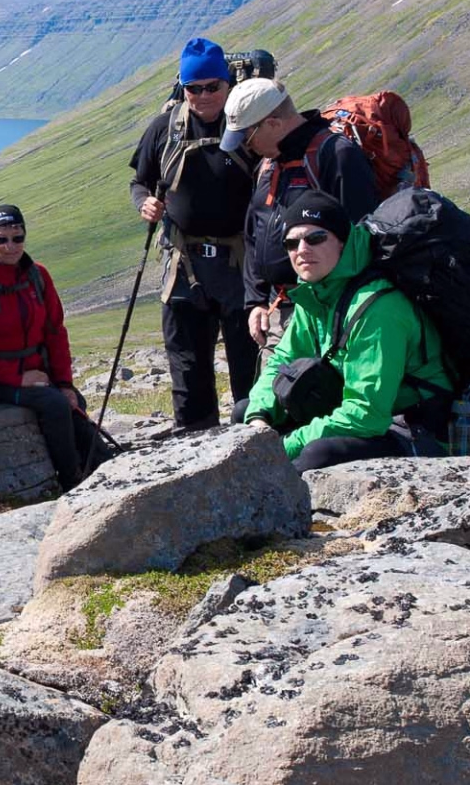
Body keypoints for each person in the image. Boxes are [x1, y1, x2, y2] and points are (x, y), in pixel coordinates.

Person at [241, 192, 452, 470]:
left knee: (316, 456)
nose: (301, 249)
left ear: (342, 241)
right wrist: (258, 417)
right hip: (359, 411)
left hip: (412, 427)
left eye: (315, 238)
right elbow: (283, 361)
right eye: (291, 243)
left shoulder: (379, 307)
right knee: (245, 413)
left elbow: (366, 413)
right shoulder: (315, 291)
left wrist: (283, 446)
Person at [128, 37, 261, 430]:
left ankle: (252, 438)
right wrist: (144, 203)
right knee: (187, 368)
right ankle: (193, 441)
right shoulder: (164, 128)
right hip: (184, 265)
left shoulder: (250, 125)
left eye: (212, 87)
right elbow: (140, 181)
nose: (203, 96)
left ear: (227, 83)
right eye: (193, 88)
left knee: (249, 365)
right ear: (183, 87)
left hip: (240, 264)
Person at [222, 78, 379, 350]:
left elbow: (361, 239)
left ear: (273, 123)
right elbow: (254, 233)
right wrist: (256, 301)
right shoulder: (269, 164)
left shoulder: (337, 155)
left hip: (326, 313)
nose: (246, 146)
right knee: (272, 379)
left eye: (247, 137)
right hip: (277, 310)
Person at [0, 203, 100, 491]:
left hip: (35, 371)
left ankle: (99, 464)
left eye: (17, 237)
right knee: (54, 404)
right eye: (2, 240)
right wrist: (18, 378)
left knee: (73, 402)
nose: (11, 246)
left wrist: (64, 383)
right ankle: (71, 480)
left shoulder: (38, 275)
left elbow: (55, 332)